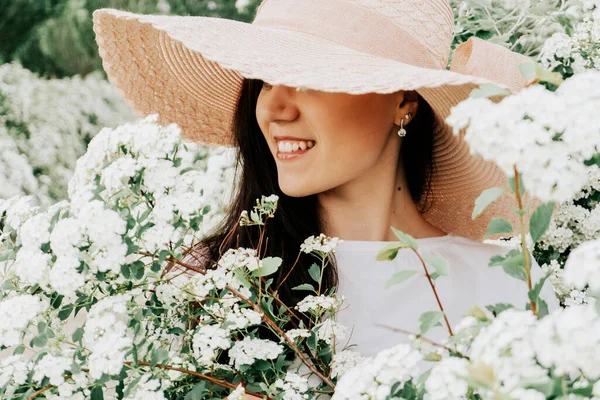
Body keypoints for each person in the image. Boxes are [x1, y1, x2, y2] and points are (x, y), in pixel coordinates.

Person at [92, 0, 559, 396]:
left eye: (306, 76)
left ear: (403, 100)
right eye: (264, 80)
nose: (274, 109)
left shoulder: (509, 285)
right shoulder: (205, 282)